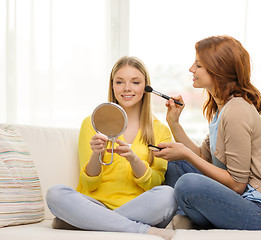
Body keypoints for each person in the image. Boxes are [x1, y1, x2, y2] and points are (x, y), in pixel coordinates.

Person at [154, 35, 261, 231]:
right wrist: (173, 122)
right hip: (242, 199)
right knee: (175, 164)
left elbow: (236, 184)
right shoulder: (222, 108)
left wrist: (186, 154)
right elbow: (203, 156)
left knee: (187, 183)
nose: (191, 69)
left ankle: (190, 217)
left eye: (198, 65)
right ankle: (192, 217)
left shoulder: (236, 111)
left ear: (218, 70)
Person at [46, 56, 177, 240]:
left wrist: (134, 159)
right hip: (94, 204)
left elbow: (155, 183)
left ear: (145, 87)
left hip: (139, 206)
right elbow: (90, 184)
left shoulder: (160, 130)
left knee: (168, 195)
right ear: (112, 86)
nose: (127, 88)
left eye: (135, 82)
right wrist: (96, 154)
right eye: (120, 82)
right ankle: (139, 229)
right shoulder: (92, 123)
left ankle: (85, 223)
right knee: (55, 194)